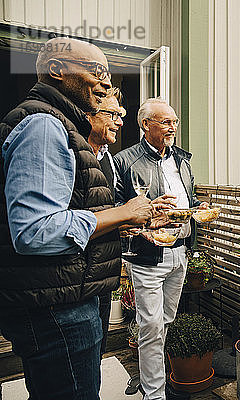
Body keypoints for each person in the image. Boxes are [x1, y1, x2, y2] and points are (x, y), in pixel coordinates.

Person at [0, 37, 152, 399]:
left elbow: (70, 212)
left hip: (63, 297)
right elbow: (34, 231)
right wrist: (124, 211)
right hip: (57, 310)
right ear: (57, 70)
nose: (105, 82)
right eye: (97, 71)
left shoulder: (58, 125)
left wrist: (124, 222)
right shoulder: (43, 126)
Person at [114, 97, 207, 400]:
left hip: (179, 251)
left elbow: (186, 203)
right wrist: (145, 219)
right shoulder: (125, 160)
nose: (173, 127)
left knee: (164, 323)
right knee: (152, 326)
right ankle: (154, 394)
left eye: (175, 121)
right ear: (145, 124)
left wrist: (197, 208)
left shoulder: (182, 159)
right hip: (147, 255)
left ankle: (148, 377)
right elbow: (116, 208)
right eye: (166, 121)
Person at [86, 87, 126, 355]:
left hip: (101, 274)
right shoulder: (69, 152)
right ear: (90, 115)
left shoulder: (108, 159)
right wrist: (126, 214)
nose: (120, 122)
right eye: (113, 114)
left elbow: (109, 209)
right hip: (75, 281)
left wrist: (139, 219)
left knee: (96, 352)